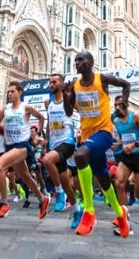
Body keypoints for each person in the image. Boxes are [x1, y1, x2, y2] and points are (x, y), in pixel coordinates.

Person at [62, 51, 131, 237]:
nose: (77, 63)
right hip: (87, 135)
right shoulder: (75, 85)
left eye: (81, 59)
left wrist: (123, 102)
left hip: (104, 132)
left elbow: (126, 84)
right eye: (75, 60)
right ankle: (120, 213)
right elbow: (69, 112)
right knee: (102, 178)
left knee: (80, 155)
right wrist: (66, 94)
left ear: (91, 62)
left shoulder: (103, 79)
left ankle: (89, 211)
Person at [0, 81, 49, 219]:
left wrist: (38, 132)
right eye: (8, 92)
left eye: (12, 91)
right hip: (10, 146)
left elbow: (40, 117)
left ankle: (3, 204)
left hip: (22, 145)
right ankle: (42, 199)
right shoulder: (6, 109)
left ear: (20, 93)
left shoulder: (26, 107)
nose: (10, 94)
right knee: (26, 177)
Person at [112, 96, 139, 218]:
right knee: (119, 182)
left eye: (119, 105)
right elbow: (124, 137)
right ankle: (123, 216)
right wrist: (118, 144)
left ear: (126, 104)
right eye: (115, 105)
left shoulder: (135, 117)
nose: (116, 108)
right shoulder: (116, 121)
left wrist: (135, 144)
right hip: (126, 156)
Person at [41, 74, 79, 217]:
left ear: (61, 84)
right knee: (64, 181)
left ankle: (59, 193)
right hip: (54, 144)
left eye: (54, 82)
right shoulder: (48, 102)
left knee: (47, 160)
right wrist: (46, 140)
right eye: (50, 82)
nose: (51, 84)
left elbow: (82, 112)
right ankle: (76, 208)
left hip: (67, 142)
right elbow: (49, 123)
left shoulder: (68, 100)